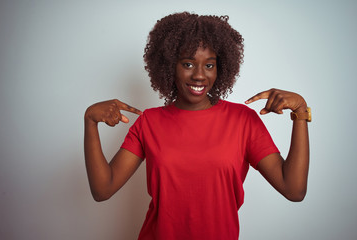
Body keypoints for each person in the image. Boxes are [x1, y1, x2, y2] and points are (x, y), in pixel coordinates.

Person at [84, 12, 310, 240]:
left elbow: (294, 189)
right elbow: (103, 189)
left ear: (220, 68)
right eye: (188, 63)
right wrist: (90, 122)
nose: (199, 75)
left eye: (209, 65)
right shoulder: (149, 122)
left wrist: (301, 113)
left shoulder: (243, 120)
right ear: (170, 65)